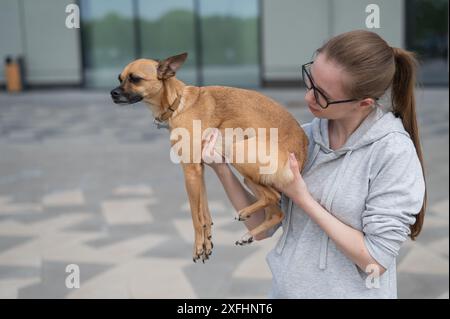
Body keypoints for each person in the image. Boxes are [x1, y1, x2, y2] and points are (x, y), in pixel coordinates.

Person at [201, 30, 426, 299]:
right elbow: (263, 227)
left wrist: (302, 198)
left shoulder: (393, 154)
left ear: (364, 103)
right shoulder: (303, 137)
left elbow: (375, 261)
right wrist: (223, 169)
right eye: (310, 80)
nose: (308, 97)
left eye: (322, 95)